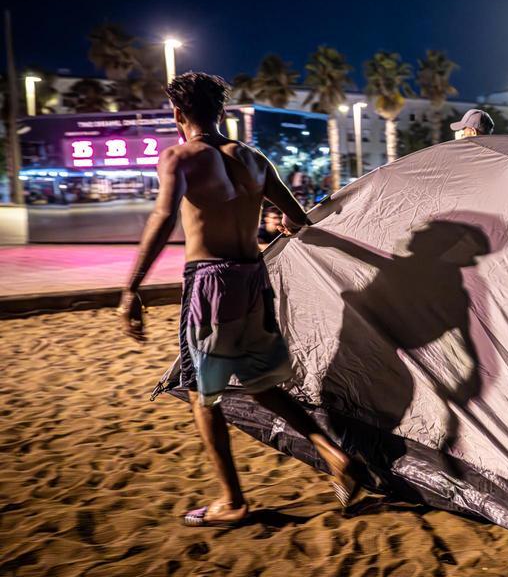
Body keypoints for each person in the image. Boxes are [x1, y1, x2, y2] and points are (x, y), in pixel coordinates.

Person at [119, 72, 362, 527]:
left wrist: (131, 287)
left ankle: (230, 500)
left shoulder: (179, 157)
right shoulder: (253, 159)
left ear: (177, 115)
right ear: (222, 113)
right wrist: (288, 225)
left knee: (201, 393)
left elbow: (162, 217)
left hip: (210, 281)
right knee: (258, 380)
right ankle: (336, 457)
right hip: (253, 278)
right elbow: (297, 219)